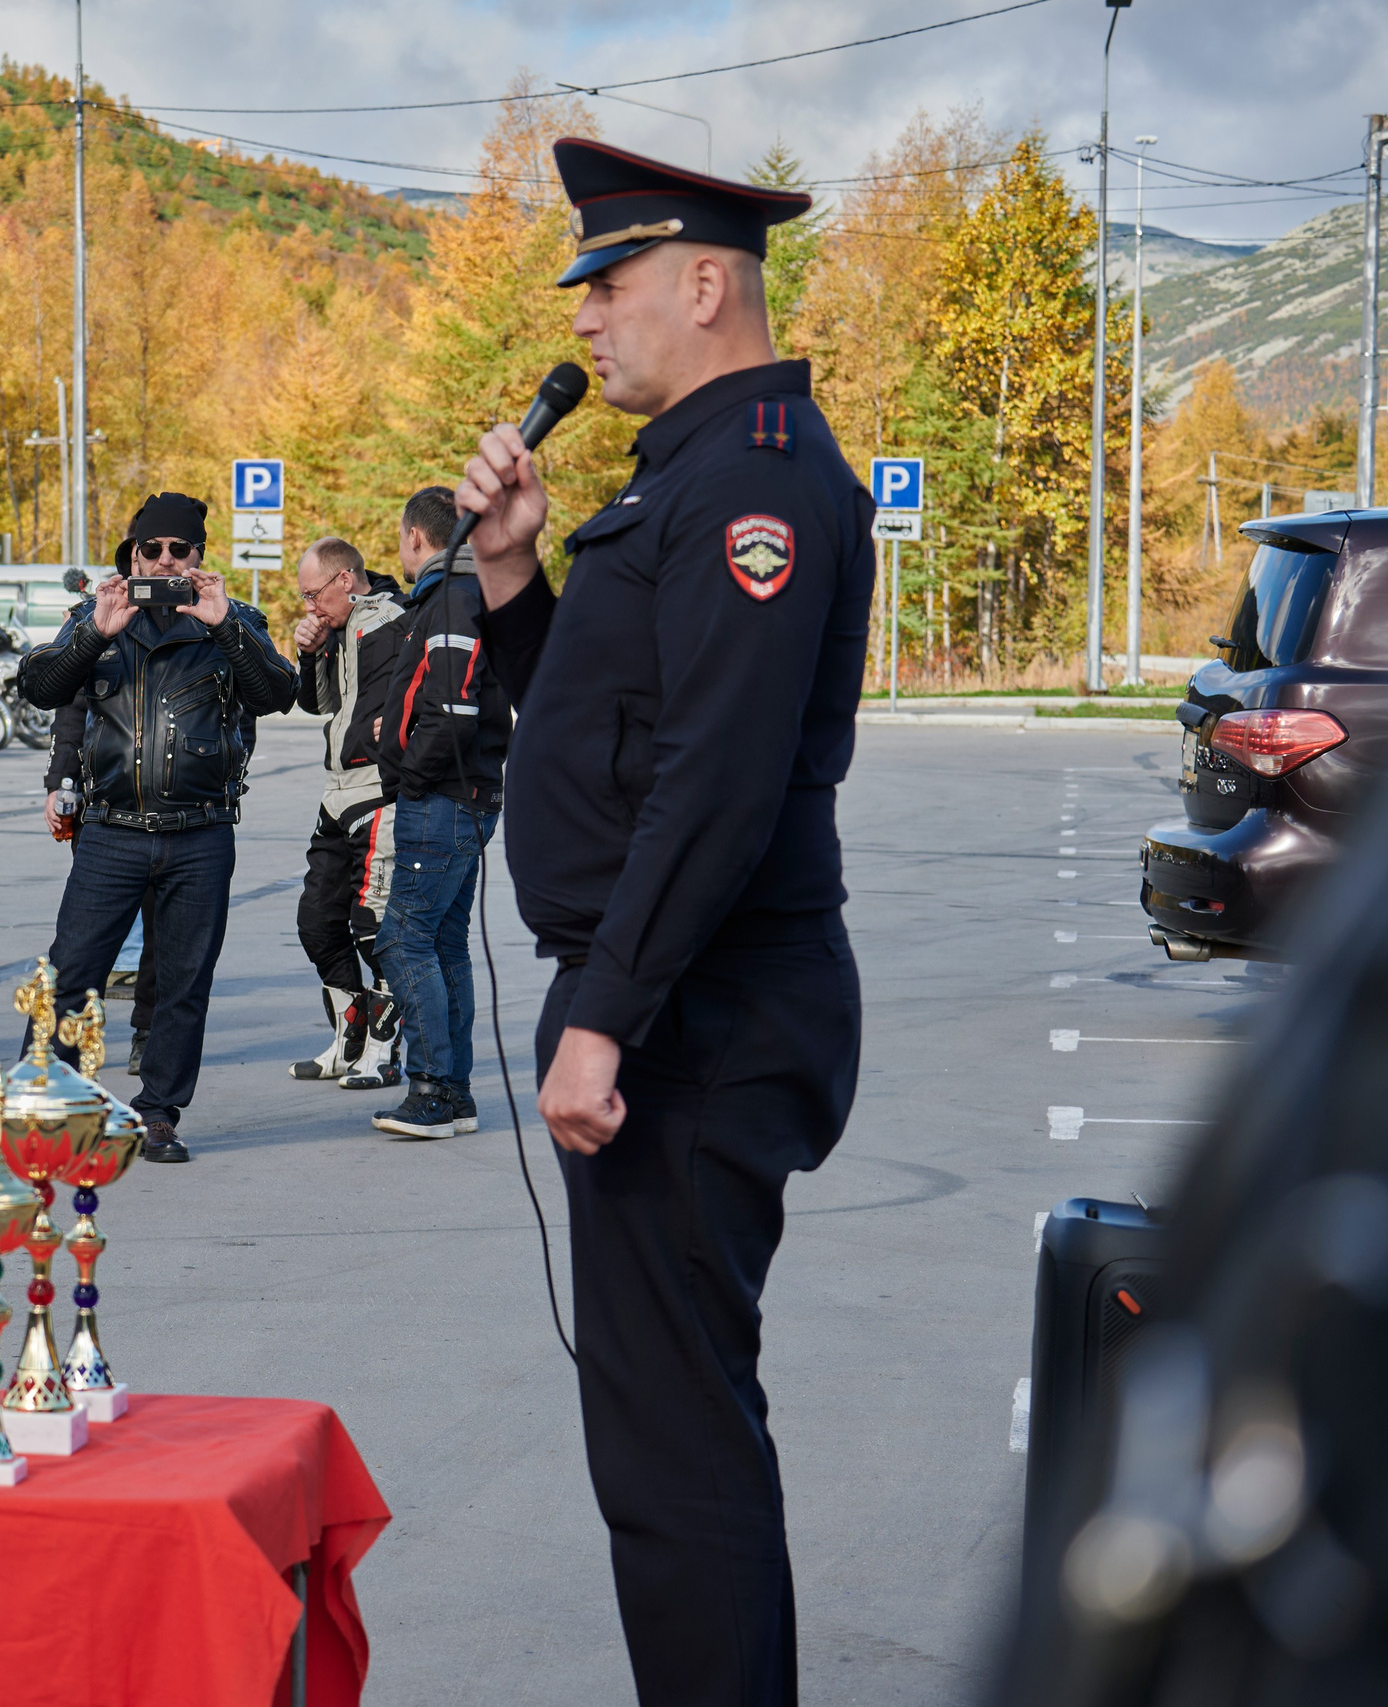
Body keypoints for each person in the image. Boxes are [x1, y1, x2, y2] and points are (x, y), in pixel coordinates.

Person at [455, 139, 870, 1707]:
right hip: (672, 997)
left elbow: (718, 781)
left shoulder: (755, 477)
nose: (586, 319)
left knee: (676, 1442)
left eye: (609, 284)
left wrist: (603, 1012)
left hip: (697, 1013)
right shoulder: (692, 471)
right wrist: (511, 579)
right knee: (663, 1428)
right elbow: (613, 721)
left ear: (706, 284)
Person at [17, 492, 297, 1162]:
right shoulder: (99, 616)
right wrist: (95, 633)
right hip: (112, 830)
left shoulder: (234, 622)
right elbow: (43, 686)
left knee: (183, 979)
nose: (165, 560)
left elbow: (278, 693)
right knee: (73, 970)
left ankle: (158, 1112)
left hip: (200, 831)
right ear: (132, 553)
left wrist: (226, 624)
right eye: (153, 550)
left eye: (180, 550)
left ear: (199, 555)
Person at [369, 487, 511, 1140]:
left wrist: (406, 773)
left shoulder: (451, 597)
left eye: (401, 540)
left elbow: (449, 711)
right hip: (465, 797)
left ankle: (429, 1089)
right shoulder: (472, 592)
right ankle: (453, 1092)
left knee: (402, 939)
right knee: (443, 944)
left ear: (416, 538)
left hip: (443, 800)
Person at [287, 535, 409, 1085]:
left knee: (373, 924)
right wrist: (308, 650)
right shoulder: (335, 627)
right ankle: (347, 1037)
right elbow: (316, 704)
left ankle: (383, 1056)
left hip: (380, 788)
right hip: (336, 788)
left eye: (314, 595)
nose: (310, 607)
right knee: (316, 920)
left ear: (344, 578)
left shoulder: (396, 617)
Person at [43, 683, 156, 1074]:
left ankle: (149, 1032)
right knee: (82, 942)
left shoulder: (208, 621)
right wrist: (60, 780)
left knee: (164, 936)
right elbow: (70, 703)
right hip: (102, 803)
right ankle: (71, 1042)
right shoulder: (94, 622)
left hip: (180, 805)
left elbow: (237, 709)